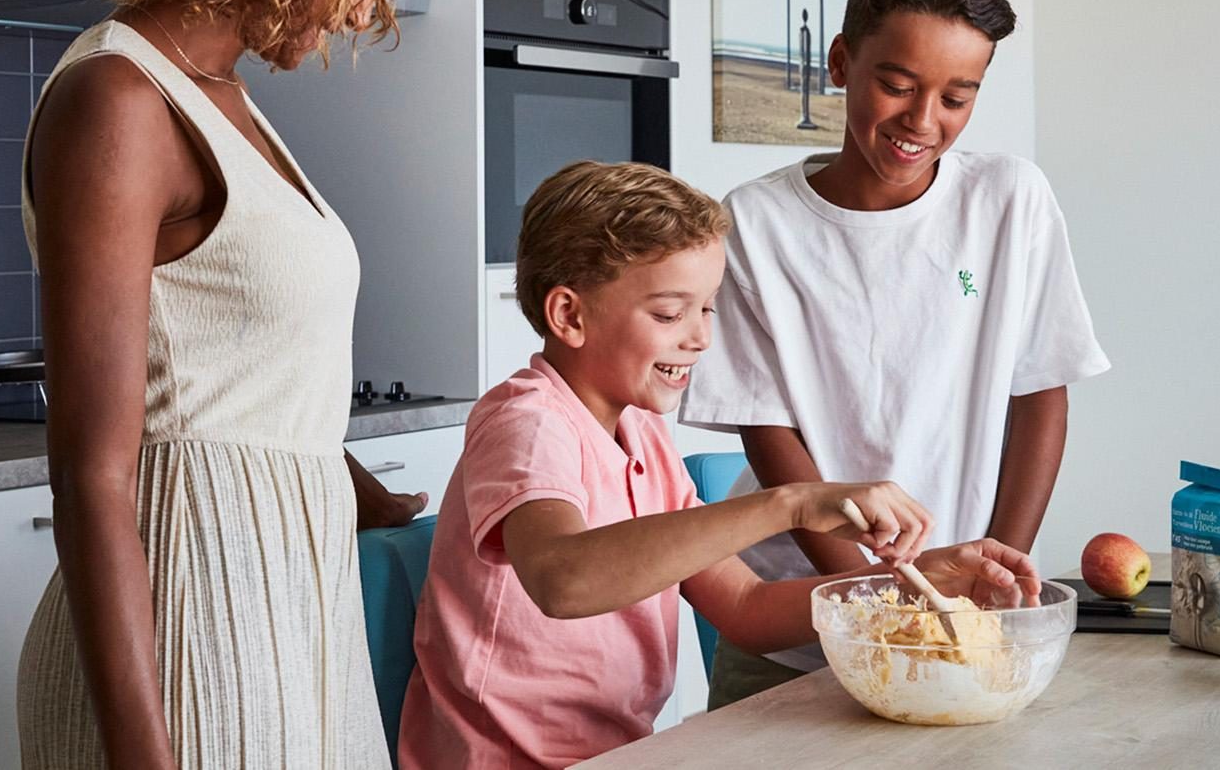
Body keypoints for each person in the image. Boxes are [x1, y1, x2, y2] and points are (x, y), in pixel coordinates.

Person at [16, 0, 451, 769]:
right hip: (184, 631)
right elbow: (93, 465)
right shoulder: (119, 100)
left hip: (287, 604)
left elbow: (227, 370)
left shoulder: (229, 100)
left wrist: (348, 481)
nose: (364, 9)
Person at [400, 160, 1039, 769]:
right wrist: (787, 501)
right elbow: (563, 580)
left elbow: (748, 607)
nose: (701, 336)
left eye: (708, 308)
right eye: (669, 313)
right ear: (569, 314)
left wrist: (910, 583)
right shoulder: (528, 422)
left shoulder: (642, 434)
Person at [680, 0, 1111, 707]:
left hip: (960, 617)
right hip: (798, 632)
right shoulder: (756, 223)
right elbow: (768, 432)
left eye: (957, 96)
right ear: (841, 63)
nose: (923, 120)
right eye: (898, 84)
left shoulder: (1010, 201)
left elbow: (1040, 392)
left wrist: (995, 567)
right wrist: (873, 599)